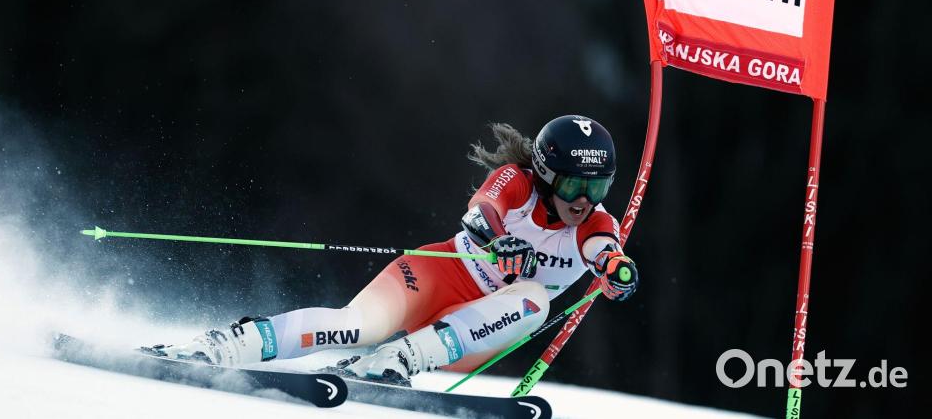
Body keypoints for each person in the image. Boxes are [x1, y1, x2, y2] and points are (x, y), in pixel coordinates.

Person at [148, 115, 638, 385]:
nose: (583, 200)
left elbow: (603, 249)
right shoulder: (518, 182)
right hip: (438, 275)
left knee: (535, 298)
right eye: (575, 185)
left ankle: (398, 360)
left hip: (473, 335)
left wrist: (617, 272)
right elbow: (481, 211)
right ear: (548, 174)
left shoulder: (595, 222)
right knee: (354, 327)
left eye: (597, 188)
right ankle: (224, 346)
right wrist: (500, 241)